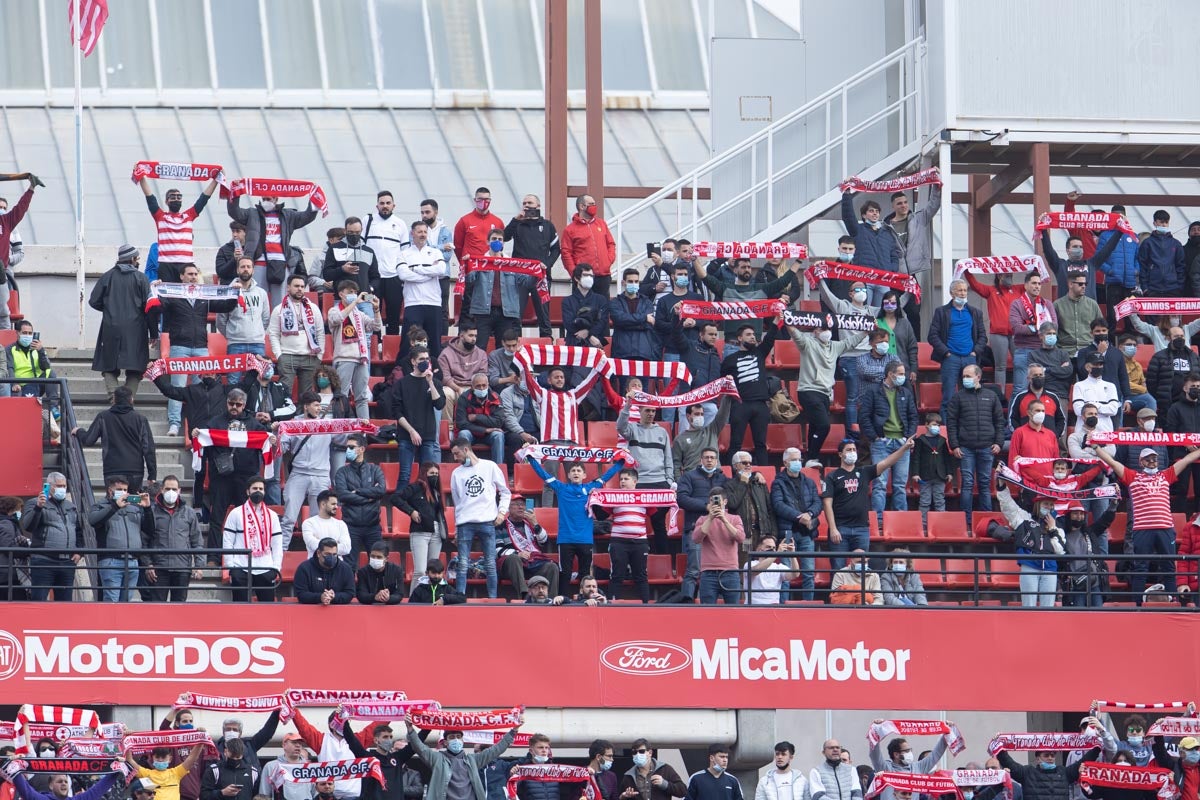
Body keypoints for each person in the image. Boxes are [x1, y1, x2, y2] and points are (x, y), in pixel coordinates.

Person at [1093, 444, 1200, 603]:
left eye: (1154, 459)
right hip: (1142, 529)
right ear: (1141, 462)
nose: (1152, 462)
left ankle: (1174, 603)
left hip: (1165, 528)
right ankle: (1138, 605)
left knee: (1169, 567)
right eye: (1148, 459)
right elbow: (1113, 463)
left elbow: (1186, 460)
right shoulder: (1132, 476)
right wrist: (1096, 447)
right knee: (1140, 568)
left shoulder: (1166, 475)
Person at [822, 438, 915, 566]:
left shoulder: (864, 472)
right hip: (840, 528)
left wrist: (904, 448)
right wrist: (833, 528)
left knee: (861, 569)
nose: (852, 452)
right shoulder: (832, 476)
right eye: (848, 450)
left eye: (854, 450)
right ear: (840, 454)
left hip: (862, 529)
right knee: (838, 568)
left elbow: (886, 462)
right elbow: (827, 504)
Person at [789, 321, 869, 459]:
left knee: (815, 426)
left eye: (828, 329)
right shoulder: (808, 344)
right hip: (808, 390)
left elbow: (850, 342)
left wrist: (866, 331)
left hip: (825, 393)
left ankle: (809, 458)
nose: (826, 332)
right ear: (815, 331)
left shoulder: (835, 346)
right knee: (824, 426)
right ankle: (812, 456)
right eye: (822, 329)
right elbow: (796, 334)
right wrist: (787, 321)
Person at [90, 244, 154, 400]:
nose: (138, 261)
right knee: (136, 368)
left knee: (109, 366)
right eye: (137, 258)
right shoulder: (141, 278)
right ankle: (127, 400)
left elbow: (94, 301)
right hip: (136, 330)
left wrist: (109, 309)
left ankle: (114, 398)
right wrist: (153, 333)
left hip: (110, 328)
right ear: (132, 259)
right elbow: (150, 307)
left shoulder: (107, 276)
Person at [449, 437, 510, 598]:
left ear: (466, 450)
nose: (455, 458)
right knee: (462, 564)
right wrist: (456, 528)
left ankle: (493, 599)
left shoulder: (490, 466)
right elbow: (457, 503)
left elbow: (505, 492)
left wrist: (502, 512)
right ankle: (460, 597)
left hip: (487, 521)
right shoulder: (456, 473)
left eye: (457, 453)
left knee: (490, 563)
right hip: (465, 523)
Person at [946, 364, 1005, 525]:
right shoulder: (958, 397)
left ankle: (987, 521)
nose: (965, 379)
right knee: (967, 484)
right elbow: (951, 423)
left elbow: (999, 422)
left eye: (968, 376)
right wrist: (955, 445)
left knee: (985, 484)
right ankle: (965, 522)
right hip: (966, 448)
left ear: (978, 377)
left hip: (987, 447)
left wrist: (998, 443)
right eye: (964, 376)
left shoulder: (991, 396)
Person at [859, 361, 917, 521]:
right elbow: (864, 417)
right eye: (900, 374)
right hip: (881, 443)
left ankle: (900, 521)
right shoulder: (873, 391)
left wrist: (908, 437)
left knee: (900, 485)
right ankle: (878, 521)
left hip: (902, 443)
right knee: (880, 484)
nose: (903, 377)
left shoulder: (906, 392)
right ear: (890, 374)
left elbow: (913, 416)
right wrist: (875, 437)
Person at [72, 386, 156, 493]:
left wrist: (79, 431)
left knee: (114, 501)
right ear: (131, 399)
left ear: (114, 399)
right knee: (133, 501)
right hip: (135, 471)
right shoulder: (141, 419)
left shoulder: (103, 417)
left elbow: (88, 440)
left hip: (112, 469)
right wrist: (152, 474)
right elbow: (148, 449)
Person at [277, 392, 333, 551]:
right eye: (315, 405)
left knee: (318, 520)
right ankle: (280, 554)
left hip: (321, 475)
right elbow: (283, 447)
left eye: (320, 405)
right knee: (288, 518)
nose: (319, 408)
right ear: (306, 406)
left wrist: (359, 427)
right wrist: (276, 437)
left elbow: (344, 439)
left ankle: (317, 554)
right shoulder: (293, 423)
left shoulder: (328, 424)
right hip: (299, 474)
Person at [995, 481, 1065, 608]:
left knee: (1048, 608)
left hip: (1050, 568)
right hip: (1029, 565)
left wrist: (1052, 529)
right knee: (1029, 606)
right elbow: (1007, 505)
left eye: (1051, 504)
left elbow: (1060, 551)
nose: (1049, 507)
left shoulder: (1058, 527)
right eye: (1045, 504)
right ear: (1038, 504)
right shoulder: (1024, 519)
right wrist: (1001, 485)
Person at [720, 322, 779, 465]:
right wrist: (727, 380)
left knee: (761, 444)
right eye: (748, 335)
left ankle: (764, 473)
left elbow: (770, 338)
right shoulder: (730, 360)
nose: (752, 337)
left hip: (760, 405)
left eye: (753, 334)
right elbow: (721, 381)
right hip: (740, 404)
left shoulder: (759, 352)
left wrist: (776, 322)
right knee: (735, 443)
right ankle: (732, 473)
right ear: (740, 338)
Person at [676, 448, 729, 603]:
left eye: (712, 457)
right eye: (706, 457)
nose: (709, 460)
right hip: (696, 528)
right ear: (701, 460)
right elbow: (682, 499)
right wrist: (706, 506)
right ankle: (686, 603)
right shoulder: (689, 476)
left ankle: (716, 604)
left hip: (718, 531)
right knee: (693, 570)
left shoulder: (723, 479)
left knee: (718, 570)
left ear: (717, 460)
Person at [466, 229, 535, 349]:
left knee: (503, 349)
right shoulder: (480, 262)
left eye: (500, 239)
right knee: (479, 347)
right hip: (483, 312)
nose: (497, 242)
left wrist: (537, 272)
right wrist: (467, 265)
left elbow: (526, 282)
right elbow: (469, 279)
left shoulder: (511, 264)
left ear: (503, 243)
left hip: (505, 313)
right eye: (494, 239)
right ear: (488, 242)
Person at [928, 280, 987, 419]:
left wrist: (975, 352)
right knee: (948, 396)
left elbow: (983, 336)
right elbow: (932, 336)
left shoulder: (975, 312)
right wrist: (946, 352)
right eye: (960, 290)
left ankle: (968, 424)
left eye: (965, 290)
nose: (963, 293)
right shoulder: (941, 312)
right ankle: (947, 427)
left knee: (971, 395)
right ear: (951, 293)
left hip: (970, 358)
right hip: (951, 358)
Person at [770, 448, 822, 601]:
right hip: (788, 533)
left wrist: (809, 514)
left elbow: (817, 502)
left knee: (809, 573)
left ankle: (808, 606)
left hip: (807, 533)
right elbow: (778, 505)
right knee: (786, 573)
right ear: (785, 463)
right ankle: (784, 606)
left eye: (799, 460)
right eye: (794, 460)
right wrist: (799, 517)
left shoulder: (809, 482)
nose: (798, 463)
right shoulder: (778, 483)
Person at [89, 476, 151, 602]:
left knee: (126, 602)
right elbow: (93, 521)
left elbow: (149, 529)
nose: (123, 492)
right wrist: (115, 506)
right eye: (119, 489)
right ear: (110, 491)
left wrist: (147, 508)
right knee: (111, 600)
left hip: (132, 561)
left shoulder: (134, 508)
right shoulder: (100, 505)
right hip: (111, 561)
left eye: (125, 490)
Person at [505, 194, 559, 338]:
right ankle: (515, 344)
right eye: (524, 203)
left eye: (530, 202)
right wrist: (515, 220)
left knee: (543, 314)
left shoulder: (547, 225)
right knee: (516, 314)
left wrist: (547, 265)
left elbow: (556, 249)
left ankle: (546, 342)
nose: (527, 205)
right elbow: (504, 237)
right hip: (519, 276)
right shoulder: (518, 224)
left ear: (538, 205)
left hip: (540, 276)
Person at [141, 475, 203, 602]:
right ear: (162, 490)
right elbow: (144, 540)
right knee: (158, 609)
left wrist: (199, 565)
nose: (171, 492)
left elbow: (196, 540)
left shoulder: (189, 513)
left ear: (179, 491)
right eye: (168, 488)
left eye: (174, 489)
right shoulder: (151, 512)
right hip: (159, 568)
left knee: (179, 609)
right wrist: (148, 564)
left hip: (182, 568)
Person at [22, 472, 82, 601]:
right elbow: (28, 526)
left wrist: (79, 551)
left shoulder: (71, 506)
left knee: (65, 603)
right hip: (44, 561)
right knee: (39, 600)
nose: (62, 489)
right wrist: (38, 507)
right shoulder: (34, 503)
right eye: (59, 486)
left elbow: (78, 531)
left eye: (64, 486)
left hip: (67, 562)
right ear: (49, 486)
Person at [326, 281, 382, 420]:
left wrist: (376, 310)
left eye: (355, 292)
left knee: (362, 397)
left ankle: (364, 426)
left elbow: (376, 326)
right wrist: (354, 303)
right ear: (341, 294)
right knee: (342, 396)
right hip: (344, 358)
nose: (354, 295)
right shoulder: (334, 310)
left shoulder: (359, 314)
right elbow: (337, 319)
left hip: (361, 358)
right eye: (350, 292)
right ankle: (341, 426)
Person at [222, 477, 283, 603]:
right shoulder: (235, 513)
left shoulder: (272, 516)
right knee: (240, 609)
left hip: (266, 567)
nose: (258, 491)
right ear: (248, 491)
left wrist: (276, 567)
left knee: (267, 609)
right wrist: (231, 567)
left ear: (264, 492)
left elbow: (277, 544)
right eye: (255, 488)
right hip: (241, 567)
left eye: (261, 489)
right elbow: (227, 541)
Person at [393, 346, 447, 484]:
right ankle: (400, 498)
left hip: (428, 435)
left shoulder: (435, 383)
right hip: (406, 434)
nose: (425, 362)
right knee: (405, 474)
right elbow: (397, 412)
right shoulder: (402, 383)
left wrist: (430, 383)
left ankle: (426, 498)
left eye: (427, 359)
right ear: (413, 361)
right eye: (421, 359)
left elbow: (439, 404)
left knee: (427, 476)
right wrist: (411, 431)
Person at [331, 434, 387, 563]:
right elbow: (343, 495)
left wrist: (358, 491)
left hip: (373, 526)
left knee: (377, 563)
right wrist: (369, 498)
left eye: (351, 447)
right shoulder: (341, 472)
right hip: (350, 526)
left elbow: (381, 490)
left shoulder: (375, 470)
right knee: (349, 565)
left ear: (362, 449)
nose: (348, 450)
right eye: (347, 447)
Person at [216, 257, 271, 385]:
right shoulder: (228, 292)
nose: (245, 269)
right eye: (242, 267)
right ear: (237, 270)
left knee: (259, 381)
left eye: (248, 267)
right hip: (236, 344)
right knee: (233, 381)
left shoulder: (261, 293)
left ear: (253, 270)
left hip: (257, 344)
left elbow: (265, 318)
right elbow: (221, 320)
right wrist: (232, 334)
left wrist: (256, 333)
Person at [965, 271, 1024, 389]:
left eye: (1011, 275)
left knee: (1020, 365)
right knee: (1000, 367)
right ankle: (1000, 395)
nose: (1010, 277)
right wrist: (967, 270)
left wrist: (1036, 265)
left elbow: (1033, 281)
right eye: (1007, 275)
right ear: (999, 275)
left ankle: (1020, 393)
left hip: (1016, 334)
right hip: (998, 334)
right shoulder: (991, 291)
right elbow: (974, 284)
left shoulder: (1018, 289)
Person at [268, 275, 325, 400]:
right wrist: (279, 355)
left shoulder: (313, 308)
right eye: (296, 286)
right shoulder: (279, 309)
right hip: (287, 356)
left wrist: (320, 355)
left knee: (306, 397)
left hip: (310, 357)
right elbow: (273, 334)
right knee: (284, 394)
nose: (300, 289)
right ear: (288, 287)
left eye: (302, 286)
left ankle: (302, 413)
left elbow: (320, 332)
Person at [840, 191, 901, 305]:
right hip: (865, 279)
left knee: (881, 311)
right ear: (864, 215)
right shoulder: (858, 230)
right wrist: (847, 195)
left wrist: (891, 269)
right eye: (871, 211)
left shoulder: (887, 234)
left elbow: (894, 256)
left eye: (877, 211)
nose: (875, 213)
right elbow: (848, 216)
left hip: (883, 280)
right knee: (864, 310)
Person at [390, 461, 447, 584]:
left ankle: (430, 595)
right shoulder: (415, 487)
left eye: (436, 474)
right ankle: (415, 596)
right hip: (420, 531)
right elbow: (395, 498)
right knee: (420, 571)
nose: (435, 476)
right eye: (431, 473)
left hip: (436, 532)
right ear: (424, 474)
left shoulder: (436, 491)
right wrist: (411, 511)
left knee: (433, 571)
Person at [497, 495, 561, 599]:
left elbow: (544, 542)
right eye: (517, 504)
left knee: (552, 567)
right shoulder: (500, 527)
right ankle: (524, 595)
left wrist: (535, 523)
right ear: (508, 507)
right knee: (514, 558)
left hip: (532, 564)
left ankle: (550, 600)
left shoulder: (530, 525)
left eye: (523, 504)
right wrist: (518, 553)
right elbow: (497, 550)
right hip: (512, 567)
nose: (521, 507)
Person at [692, 487, 746, 605]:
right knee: (708, 611)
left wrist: (724, 520)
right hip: (708, 572)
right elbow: (696, 539)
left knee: (733, 610)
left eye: (718, 501)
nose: (715, 503)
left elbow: (741, 538)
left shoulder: (735, 518)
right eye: (712, 501)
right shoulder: (702, 519)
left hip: (730, 571)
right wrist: (710, 518)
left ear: (725, 502)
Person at [1009, 272, 1057, 394]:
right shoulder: (1017, 304)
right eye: (1034, 283)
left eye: (1039, 284)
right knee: (1020, 389)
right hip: (1024, 350)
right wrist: (1039, 328)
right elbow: (1018, 328)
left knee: (1045, 390)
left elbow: (1055, 326)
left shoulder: (1047, 304)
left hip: (1044, 351)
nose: (1037, 286)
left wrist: (1030, 327)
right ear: (1025, 285)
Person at [560, 194, 616, 297]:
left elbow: (611, 244)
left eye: (594, 204)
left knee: (603, 306)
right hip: (583, 278)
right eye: (591, 204)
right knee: (582, 306)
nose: (594, 206)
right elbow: (566, 253)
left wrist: (608, 261)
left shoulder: (602, 224)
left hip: (603, 277)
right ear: (581, 206)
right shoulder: (570, 229)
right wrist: (575, 273)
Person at [726, 451, 776, 550]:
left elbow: (770, 509)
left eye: (750, 463)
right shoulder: (729, 485)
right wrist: (743, 483)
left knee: (762, 560)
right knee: (745, 560)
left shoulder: (759, 483)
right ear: (735, 466)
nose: (748, 465)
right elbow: (732, 504)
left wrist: (773, 534)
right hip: (744, 534)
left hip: (762, 533)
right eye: (744, 463)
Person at [672, 398, 733, 476]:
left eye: (702, 414)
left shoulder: (712, 430)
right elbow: (676, 465)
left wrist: (727, 396)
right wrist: (679, 481)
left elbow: (723, 413)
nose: (700, 417)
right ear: (688, 416)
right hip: (693, 477)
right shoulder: (679, 439)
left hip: (715, 475)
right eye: (697, 414)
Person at [456, 372, 506, 465]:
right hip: (471, 433)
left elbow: (499, 422)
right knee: (463, 434)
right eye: (478, 386)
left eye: (484, 385)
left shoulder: (495, 397)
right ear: (472, 387)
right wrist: (485, 430)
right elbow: (461, 424)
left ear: (488, 385)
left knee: (498, 435)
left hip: (489, 435)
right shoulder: (464, 398)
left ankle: (498, 468)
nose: (482, 388)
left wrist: (477, 417)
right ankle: (465, 466)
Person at [913, 413, 952, 527]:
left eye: (938, 425)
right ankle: (923, 524)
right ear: (926, 425)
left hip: (940, 476)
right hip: (924, 476)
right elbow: (916, 458)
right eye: (934, 424)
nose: (937, 427)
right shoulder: (920, 440)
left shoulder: (942, 440)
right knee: (925, 501)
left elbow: (947, 458)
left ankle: (941, 524)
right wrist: (915, 473)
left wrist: (949, 472)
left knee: (940, 500)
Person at [1053, 273, 1104, 356]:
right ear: (1070, 284)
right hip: (1065, 352)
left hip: (1089, 351)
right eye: (1080, 284)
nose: (1084, 286)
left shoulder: (1093, 304)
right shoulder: (1057, 305)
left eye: (1085, 284)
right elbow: (1052, 330)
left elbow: (1102, 328)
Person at [1147, 328, 1200, 408]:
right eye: (1176, 336)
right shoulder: (1159, 357)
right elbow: (1151, 382)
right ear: (1169, 338)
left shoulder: (1194, 356)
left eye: (1182, 336)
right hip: (1167, 403)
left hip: (1191, 402)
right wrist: (1160, 398)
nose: (1180, 338)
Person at [618, 739, 687, 800]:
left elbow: (683, 791)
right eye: (634, 752)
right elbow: (620, 796)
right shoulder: (628, 776)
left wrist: (665, 784)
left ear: (650, 753)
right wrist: (624, 797)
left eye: (641, 751)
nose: (637, 755)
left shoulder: (665, 769)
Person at [293, 537, 355, 605]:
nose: (331, 557)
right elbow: (301, 594)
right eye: (327, 554)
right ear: (318, 553)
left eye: (334, 554)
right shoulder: (304, 568)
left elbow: (350, 593)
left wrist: (334, 596)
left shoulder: (346, 569)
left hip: (339, 609)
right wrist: (320, 597)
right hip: (311, 609)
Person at [1137, 210, 1185, 297]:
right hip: (1152, 288)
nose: (1164, 225)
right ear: (1155, 223)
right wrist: (1145, 288)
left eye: (1166, 222)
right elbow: (1142, 266)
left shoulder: (1176, 243)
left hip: (1173, 288)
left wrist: (1179, 286)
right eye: (1161, 222)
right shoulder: (1147, 243)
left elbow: (1181, 265)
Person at [561, 264, 611, 347]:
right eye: (585, 275)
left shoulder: (601, 299)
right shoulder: (567, 301)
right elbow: (568, 324)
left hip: (595, 342)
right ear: (576, 278)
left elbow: (602, 321)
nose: (589, 278)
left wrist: (588, 332)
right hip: (574, 342)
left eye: (591, 276)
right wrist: (589, 335)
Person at [1072, 353, 1121, 434]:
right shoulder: (1079, 385)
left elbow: (1113, 410)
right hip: (1083, 430)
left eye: (1100, 364)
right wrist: (1103, 408)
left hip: (1105, 429)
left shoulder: (1110, 386)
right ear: (1087, 367)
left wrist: (1092, 405)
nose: (1098, 367)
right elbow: (1078, 410)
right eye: (1095, 364)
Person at [1027, 324, 1076, 404]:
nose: (1052, 336)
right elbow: (1035, 377)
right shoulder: (1033, 355)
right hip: (1040, 394)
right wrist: (1059, 370)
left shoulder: (1063, 353)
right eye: (1049, 333)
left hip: (1060, 394)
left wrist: (1046, 369)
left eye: (1054, 333)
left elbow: (1068, 372)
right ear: (1041, 336)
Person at [1008, 399, 1061, 466]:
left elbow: (1056, 461)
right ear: (1029, 413)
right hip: (1025, 473)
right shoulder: (1019, 433)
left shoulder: (1051, 435)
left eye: (1043, 411)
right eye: (1037, 410)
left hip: (1047, 473)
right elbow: (1012, 459)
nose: (1041, 413)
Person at [746, 534, 795, 606]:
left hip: (773, 608)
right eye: (768, 547)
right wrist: (777, 553)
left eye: (774, 548)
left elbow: (795, 574)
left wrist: (793, 555)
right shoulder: (749, 564)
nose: (772, 550)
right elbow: (756, 570)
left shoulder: (778, 567)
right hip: (754, 606)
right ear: (759, 549)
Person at [299, 490, 350, 559]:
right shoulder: (308, 523)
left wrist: (320, 543)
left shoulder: (341, 524)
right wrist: (336, 544)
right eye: (333, 504)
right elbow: (313, 545)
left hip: (338, 564)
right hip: (315, 564)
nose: (336, 507)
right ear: (323, 505)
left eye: (336, 504)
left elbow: (346, 548)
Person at [1118, 335, 1157, 415]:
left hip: (1134, 395)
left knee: (1150, 400)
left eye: (1134, 345)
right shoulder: (1116, 363)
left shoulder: (1137, 365)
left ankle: (1148, 422)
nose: (1132, 347)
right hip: (1120, 395)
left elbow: (1143, 382)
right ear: (1120, 347)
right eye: (1129, 344)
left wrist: (1143, 389)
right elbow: (1123, 383)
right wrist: (1142, 389)